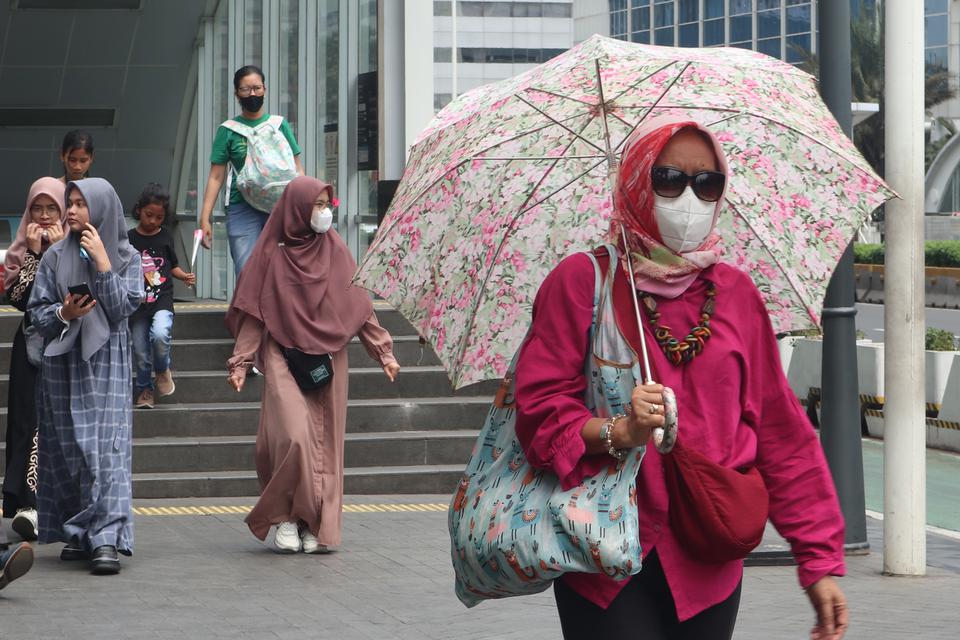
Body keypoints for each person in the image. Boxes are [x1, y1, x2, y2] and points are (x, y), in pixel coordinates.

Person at [513, 116, 848, 640]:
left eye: (707, 182)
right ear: (636, 182)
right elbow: (538, 414)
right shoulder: (581, 282)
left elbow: (782, 437)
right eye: (669, 179)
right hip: (604, 556)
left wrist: (820, 559)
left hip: (709, 557)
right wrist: (617, 432)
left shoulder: (735, 294)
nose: (689, 198)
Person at [225, 176, 400, 554]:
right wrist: (241, 361)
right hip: (281, 354)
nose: (324, 213)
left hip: (329, 356)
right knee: (292, 437)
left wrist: (383, 352)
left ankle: (313, 523)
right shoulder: (270, 254)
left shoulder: (335, 251)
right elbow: (255, 311)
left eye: (327, 205)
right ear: (296, 209)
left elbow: (359, 307)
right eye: (317, 205)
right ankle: (286, 516)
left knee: (324, 444)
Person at [27, 177, 143, 575]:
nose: (71, 210)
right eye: (69, 202)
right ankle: (79, 533)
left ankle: (107, 537)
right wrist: (65, 313)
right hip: (63, 361)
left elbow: (123, 309)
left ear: (102, 209)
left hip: (107, 359)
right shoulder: (54, 256)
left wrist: (104, 265)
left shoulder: (127, 257)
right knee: (70, 448)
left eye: (80, 204)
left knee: (105, 449)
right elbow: (38, 314)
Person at [2, 177, 67, 542]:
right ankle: (28, 504)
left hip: (67, 347)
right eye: (37, 209)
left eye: (52, 209)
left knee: (57, 425)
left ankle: (54, 502)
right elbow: (20, 299)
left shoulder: (78, 245)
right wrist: (33, 254)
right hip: (29, 349)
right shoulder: (21, 249)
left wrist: (58, 253)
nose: (43, 217)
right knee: (28, 424)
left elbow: (73, 295)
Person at [198, 64, 304, 276]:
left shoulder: (279, 125)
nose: (252, 93)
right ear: (236, 93)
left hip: (280, 206)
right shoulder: (228, 130)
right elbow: (216, 176)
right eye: (246, 89)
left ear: (265, 89)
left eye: (257, 88)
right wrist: (204, 217)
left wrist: (306, 205)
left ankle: (277, 310)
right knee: (247, 269)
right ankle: (249, 310)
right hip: (242, 206)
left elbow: (297, 169)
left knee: (282, 269)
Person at [128, 183, 196, 409]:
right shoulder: (128, 239)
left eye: (159, 217)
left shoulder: (166, 236)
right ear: (139, 210)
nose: (153, 221)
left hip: (162, 300)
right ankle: (145, 389)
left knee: (160, 334)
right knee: (139, 350)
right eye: (149, 215)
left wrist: (183, 276)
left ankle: (162, 369)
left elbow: (171, 265)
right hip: (137, 304)